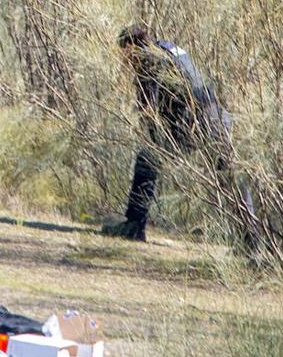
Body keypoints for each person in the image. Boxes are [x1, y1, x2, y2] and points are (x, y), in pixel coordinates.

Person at [104, 24, 261, 256]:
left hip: (194, 123)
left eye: (123, 54)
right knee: (230, 178)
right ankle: (251, 243)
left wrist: (148, 133)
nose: (124, 61)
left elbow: (148, 110)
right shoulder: (169, 49)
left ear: (130, 47)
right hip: (217, 118)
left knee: (147, 160)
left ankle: (134, 226)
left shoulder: (148, 59)